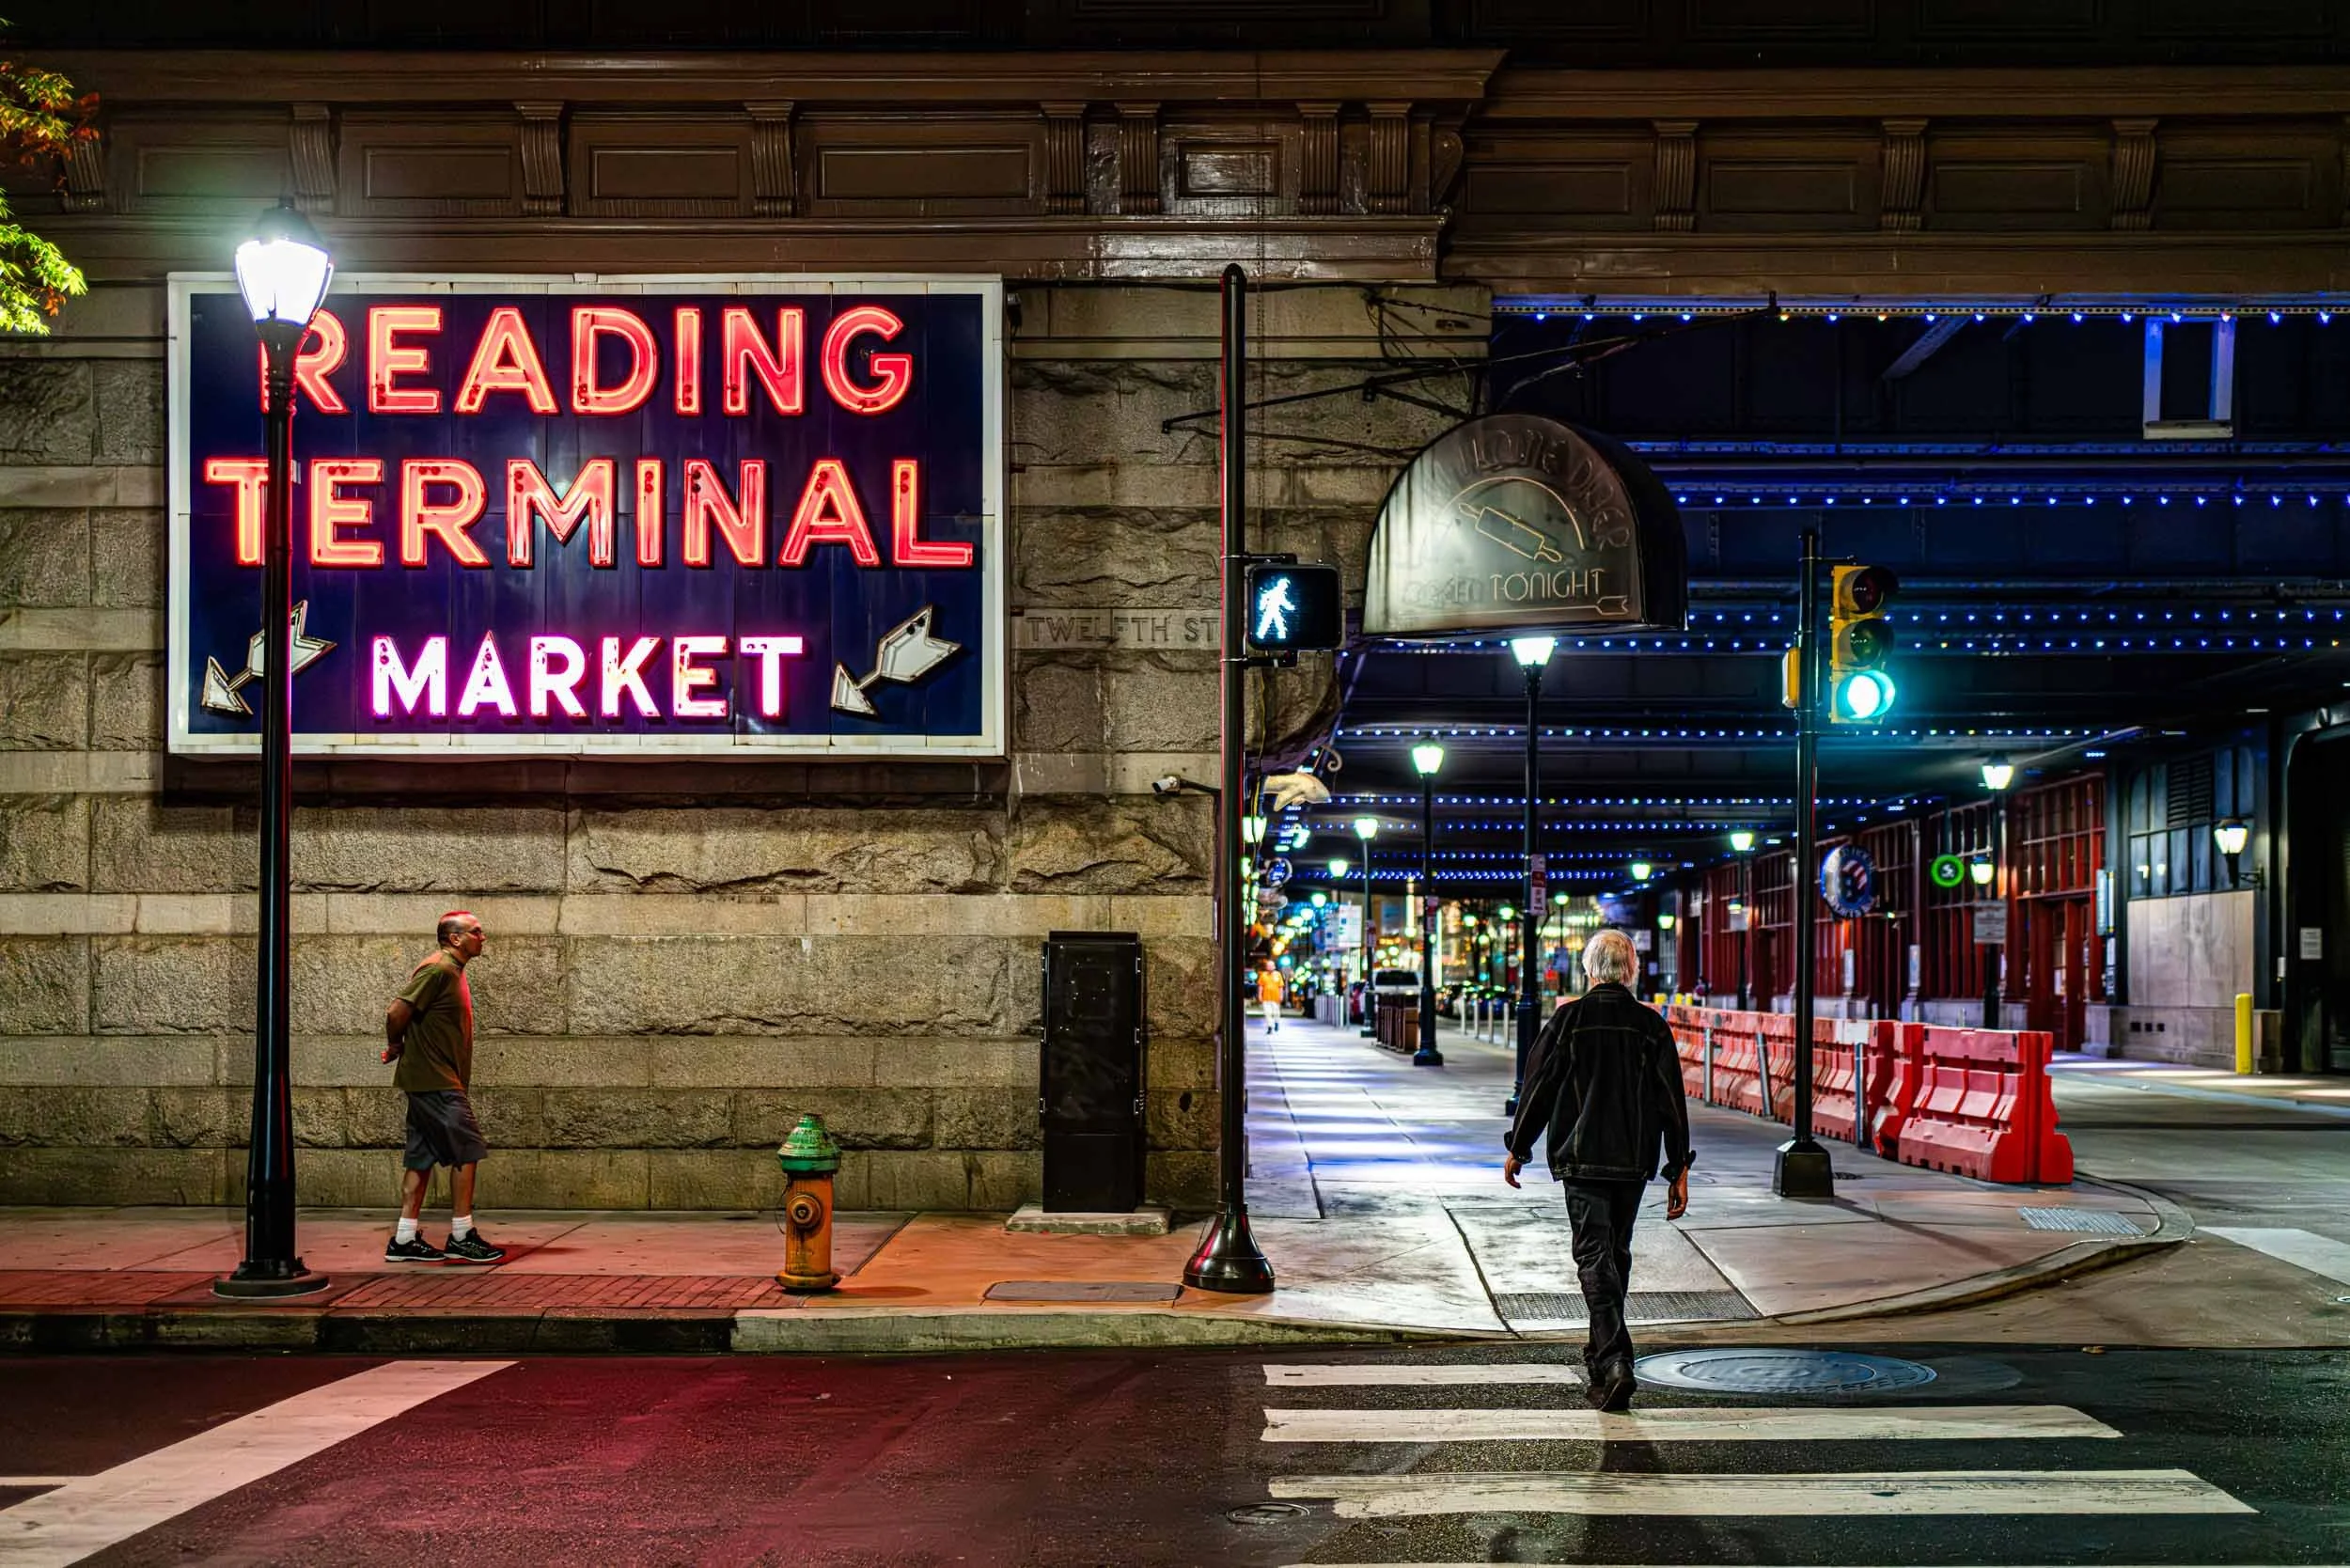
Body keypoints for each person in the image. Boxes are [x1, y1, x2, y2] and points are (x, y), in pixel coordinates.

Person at [1501, 927, 1692, 1411]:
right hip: (1633, 1160)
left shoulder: (1569, 1021)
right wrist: (1677, 1166)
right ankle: (1599, 1357)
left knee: (1593, 1257)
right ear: (1630, 972)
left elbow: (1538, 1087)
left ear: (1589, 970)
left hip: (1581, 1158)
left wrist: (1519, 1145)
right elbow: (1671, 1100)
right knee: (1614, 1255)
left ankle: (1615, 1360)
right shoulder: (1650, 1026)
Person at [380, 911, 505, 1264]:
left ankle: (404, 1240)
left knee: (420, 1157)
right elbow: (395, 1013)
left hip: (430, 1079)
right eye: (476, 932)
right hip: (435, 1079)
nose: (483, 937)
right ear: (455, 938)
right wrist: (396, 1045)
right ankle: (462, 1235)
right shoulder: (438, 969)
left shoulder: (452, 970)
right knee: (467, 1149)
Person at [1257, 964, 1285, 1032]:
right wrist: (1260, 995)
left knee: (1276, 1013)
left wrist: (1281, 995)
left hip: (1276, 998)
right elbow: (1261, 986)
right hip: (1266, 998)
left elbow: (1281, 987)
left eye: (1271, 966)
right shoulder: (1263, 975)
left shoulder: (1278, 974)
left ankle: (1276, 1022)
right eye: (1268, 966)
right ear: (1266, 967)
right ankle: (1270, 1026)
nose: (1269, 967)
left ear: (1274, 967)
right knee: (1267, 1013)